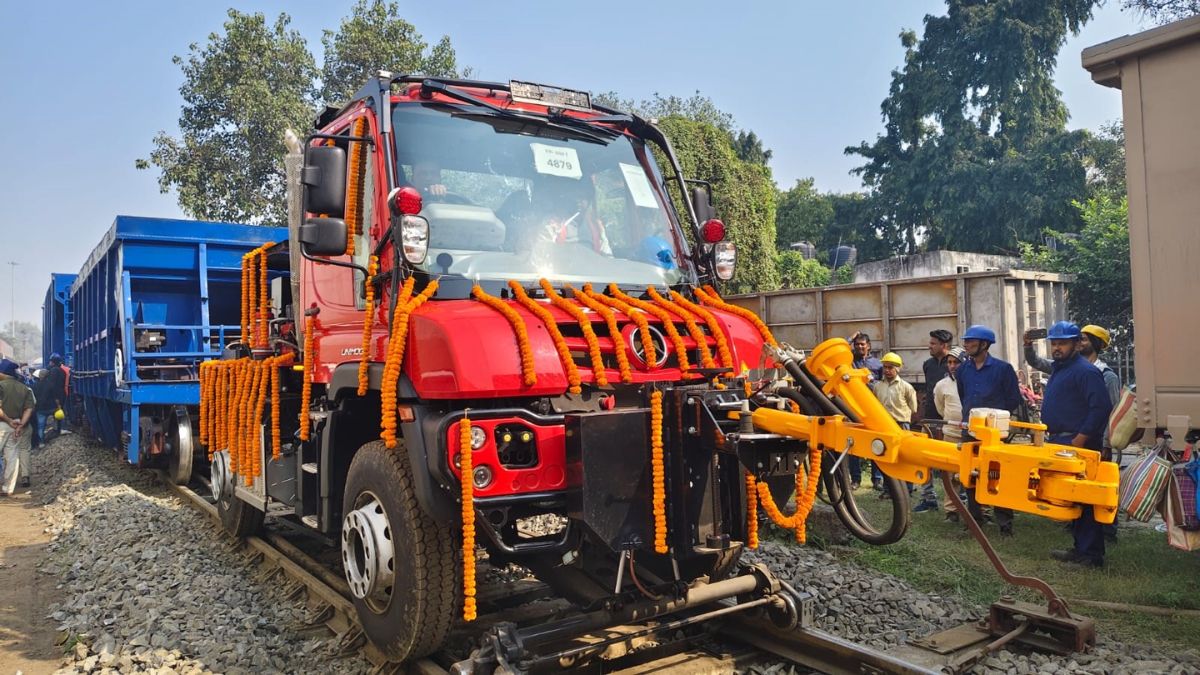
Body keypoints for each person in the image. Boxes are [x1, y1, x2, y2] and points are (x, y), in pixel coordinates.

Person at [1039, 322, 1114, 568]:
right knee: (1072, 496)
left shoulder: (1086, 371)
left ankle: (1091, 556)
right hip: (1060, 440)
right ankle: (1079, 548)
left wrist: (1081, 438)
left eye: (1062, 343)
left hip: (1078, 442)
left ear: (1075, 344)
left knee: (1086, 497)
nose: (1057, 348)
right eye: (1054, 343)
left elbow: (1100, 408)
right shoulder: (1060, 369)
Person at [956, 324, 1021, 536]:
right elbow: (963, 395)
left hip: (995, 433)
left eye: (971, 342)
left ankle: (1005, 524)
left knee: (997, 476)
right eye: (965, 341)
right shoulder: (962, 370)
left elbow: (1013, 399)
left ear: (984, 345)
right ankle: (975, 521)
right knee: (970, 475)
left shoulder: (1003, 369)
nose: (966, 345)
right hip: (970, 430)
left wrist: (996, 419)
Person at [871, 352, 918, 499]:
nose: (887, 370)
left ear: (898, 369)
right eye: (885, 367)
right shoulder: (877, 387)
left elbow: (914, 407)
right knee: (886, 457)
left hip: (901, 425)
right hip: (884, 426)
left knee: (905, 457)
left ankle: (908, 488)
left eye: (890, 367)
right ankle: (888, 489)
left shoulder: (906, 387)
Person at [847, 332, 883, 489]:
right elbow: (840, 351)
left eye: (862, 344)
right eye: (857, 344)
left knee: (876, 443)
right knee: (853, 443)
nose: (860, 347)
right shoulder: (849, 362)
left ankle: (877, 479)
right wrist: (849, 339)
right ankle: (855, 479)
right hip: (853, 407)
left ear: (869, 346)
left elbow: (882, 385)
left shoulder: (877, 364)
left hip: (872, 407)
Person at [0, 358, 35, 495]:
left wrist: (8, 421)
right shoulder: (24, 388)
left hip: (3, 425)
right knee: (12, 457)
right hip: (17, 426)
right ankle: (8, 488)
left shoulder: (1, 386)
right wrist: (20, 425)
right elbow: (29, 409)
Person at [922, 329, 954, 438]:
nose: (929, 346)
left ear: (943, 345)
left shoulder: (954, 365)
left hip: (948, 420)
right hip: (929, 417)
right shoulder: (928, 364)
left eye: (933, 343)